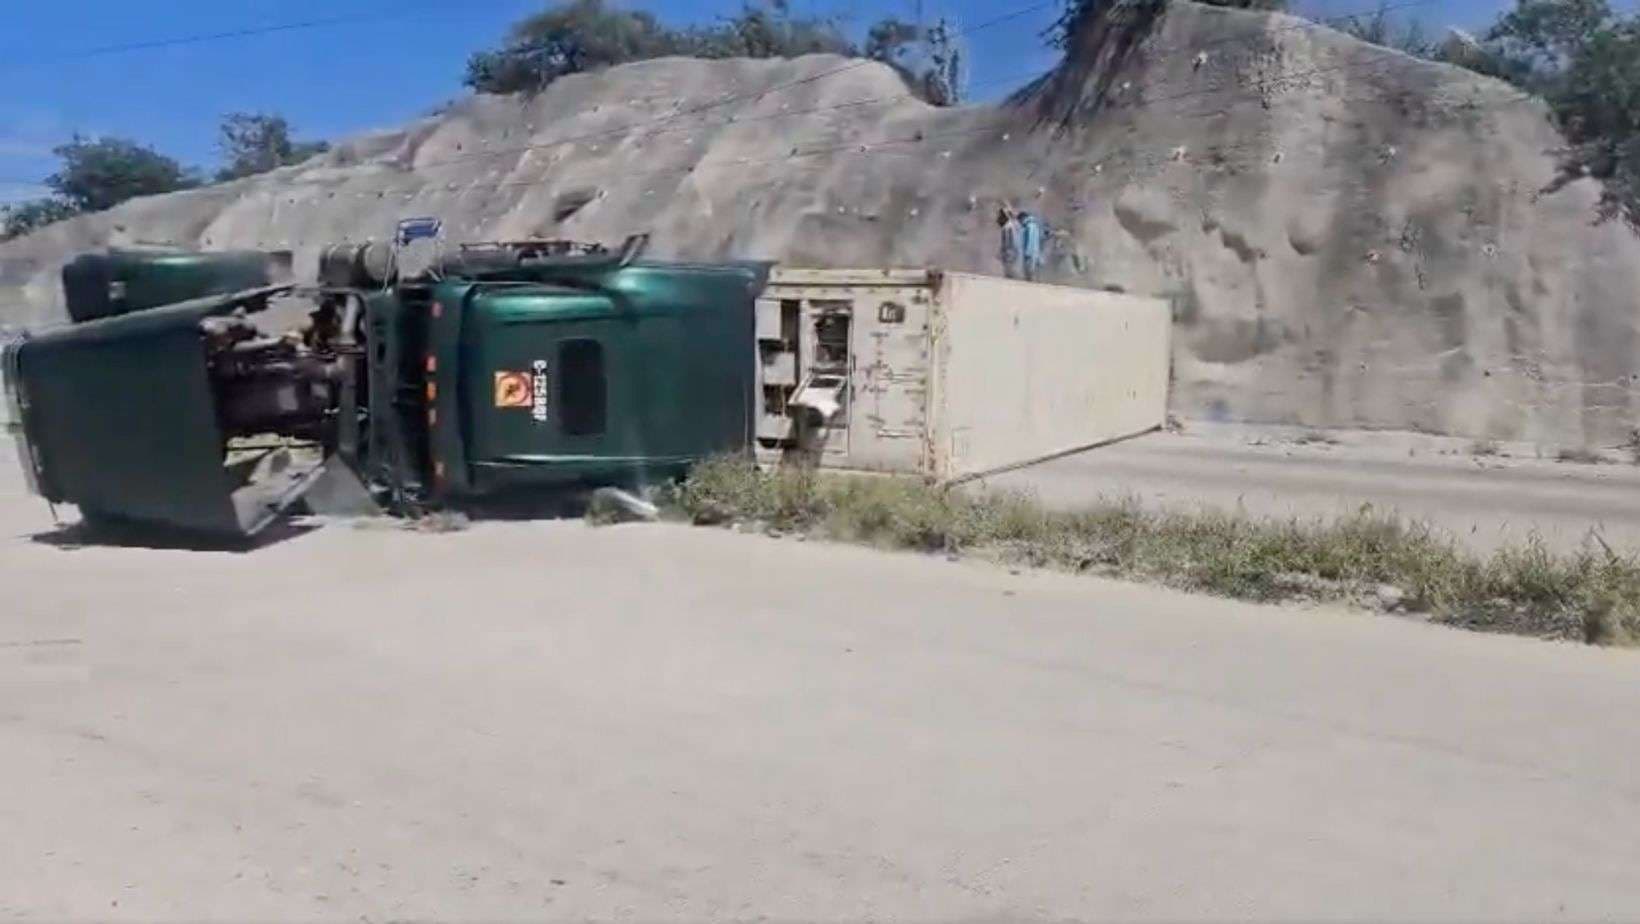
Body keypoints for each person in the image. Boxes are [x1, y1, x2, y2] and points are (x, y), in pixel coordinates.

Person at [1018, 210, 1047, 282]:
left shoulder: (1029, 226)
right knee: (1032, 274)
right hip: (1034, 253)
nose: (1019, 223)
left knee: (1029, 274)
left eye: (1019, 221)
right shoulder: (1033, 225)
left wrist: (1028, 253)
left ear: (1022, 218)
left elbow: (1031, 240)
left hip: (1030, 254)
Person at [997, 205, 1022, 279]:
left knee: (1010, 275)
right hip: (1011, 254)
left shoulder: (1008, 227)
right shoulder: (1013, 226)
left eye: (1001, 216)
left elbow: (1009, 243)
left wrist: (1006, 254)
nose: (999, 218)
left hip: (1010, 255)